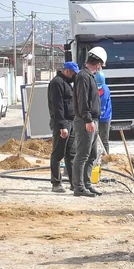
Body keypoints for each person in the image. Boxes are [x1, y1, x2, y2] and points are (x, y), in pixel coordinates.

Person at [72, 47, 107, 197]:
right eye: (101, 65)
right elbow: (83, 101)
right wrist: (88, 119)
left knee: (92, 155)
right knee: (82, 155)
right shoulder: (83, 77)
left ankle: (87, 184)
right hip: (85, 121)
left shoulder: (89, 76)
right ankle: (79, 187)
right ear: (98, 63)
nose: (100, 68)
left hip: (92, 120)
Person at [47, 62, 78, 193]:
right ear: (67, 71)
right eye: (73, 73)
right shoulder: (57, 83)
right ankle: (56, 183)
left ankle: (74, 183)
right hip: (62, 123)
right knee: (58, 153)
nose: (74, 76)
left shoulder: (67, 83)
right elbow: (57, 106)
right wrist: (62, 126)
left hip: (71, 122)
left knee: (71, 154)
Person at [95, 70, 113, 153]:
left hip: (105, 117)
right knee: (93, 139)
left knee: (104, 139)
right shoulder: (94, 89)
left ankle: (106, 156)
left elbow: (102, 106)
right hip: (96, 116)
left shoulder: (105, 90)